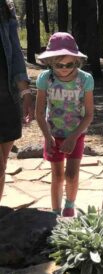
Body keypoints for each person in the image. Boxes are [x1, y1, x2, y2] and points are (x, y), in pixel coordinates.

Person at [35, 32, 94, 217]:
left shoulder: (85, 80)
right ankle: (54, 213)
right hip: (53, 133)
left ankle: (69, 206)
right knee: (57, 176)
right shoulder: (45, 78)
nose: (63, 69)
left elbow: (90, 114)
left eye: (69, 64)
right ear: (50, 62)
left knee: (71, 175)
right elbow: (39, 112)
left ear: (77, 61)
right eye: (58, 65)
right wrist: (47, 136)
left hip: (76, 133)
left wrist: (73, 137)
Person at [0, 0, 33, 202]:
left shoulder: (5, 10)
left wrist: (25, 92)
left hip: (7, 100)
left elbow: (15, 55)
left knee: (2, 164)